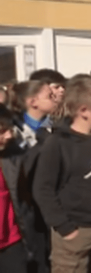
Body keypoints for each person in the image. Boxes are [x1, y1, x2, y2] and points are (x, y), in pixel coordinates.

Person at [33, 77, 91, 273]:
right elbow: (43, 189)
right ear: (84, 111)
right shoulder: (57, 143)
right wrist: (64, 227)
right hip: (74, 233)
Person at [0, 104, 37, 272]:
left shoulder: (14, 157)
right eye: (2, 131)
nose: (9, 135)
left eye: (9, 129)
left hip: (12, 242)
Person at [10, 80, 57, 150]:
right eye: (50, 96)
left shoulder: (56, 126)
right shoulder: (14, 131)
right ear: (33, 102)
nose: (55, 99)